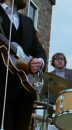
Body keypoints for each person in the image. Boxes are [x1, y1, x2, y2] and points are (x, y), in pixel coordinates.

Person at [0, 0, 47, 129]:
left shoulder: (27, 22)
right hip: (2, 89)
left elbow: (39, 51)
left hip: (25, 90)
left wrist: (39, 62)